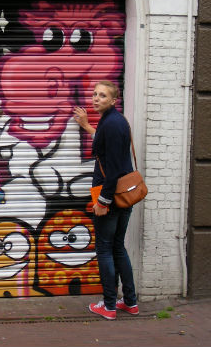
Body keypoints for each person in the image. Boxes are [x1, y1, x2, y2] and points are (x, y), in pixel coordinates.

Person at [73, 80, 139, 321]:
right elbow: (107, 147)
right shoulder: (117, 121)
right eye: (94, 94)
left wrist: (102, 201)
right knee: (118, 247)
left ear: (113, 100)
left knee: (104, 249)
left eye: (102, 95)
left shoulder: (110, 124)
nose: (96, 98)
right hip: (125, 193)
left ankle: (109, 305)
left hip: (109, 195)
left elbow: (111, 170)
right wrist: (86, 126)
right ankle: (130, 302)